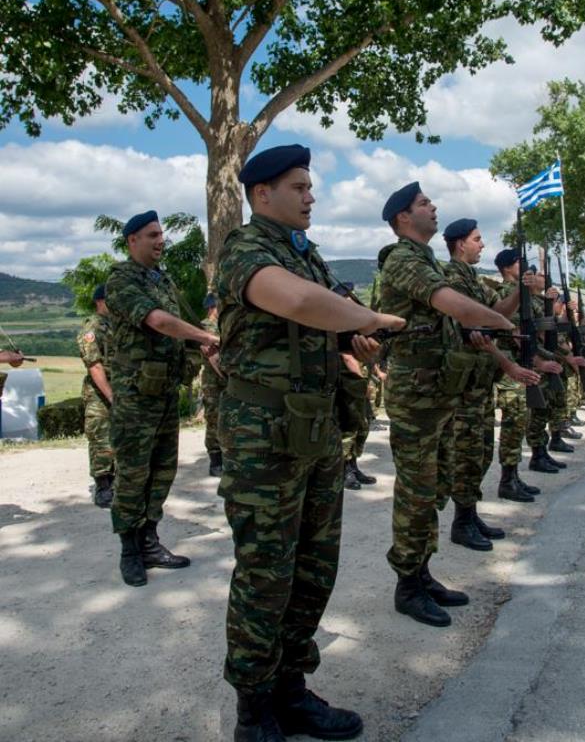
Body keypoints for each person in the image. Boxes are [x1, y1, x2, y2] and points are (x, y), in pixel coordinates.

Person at [216, 144, 404, 742]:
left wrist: (353, 344)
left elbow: (319, 323)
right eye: (298, 186)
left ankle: (292, 689)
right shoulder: (245, 247)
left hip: (316, 430)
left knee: (313, 570)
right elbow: (296, 301)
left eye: (309, 186)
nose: (310, 195)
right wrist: (365, 318)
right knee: (266, 571)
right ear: (261, 194)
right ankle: (254, 708)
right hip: (263, 436)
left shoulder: (309, 254)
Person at [378, 185, 522, 629]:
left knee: (434, 487)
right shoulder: (402, 258)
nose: (433, 207)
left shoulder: (424, 260)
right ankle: (407, 585)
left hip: (437, 392)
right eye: (423, 204)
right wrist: (499, 321)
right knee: (417, 492)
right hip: (414, 396)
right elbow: (451, 304)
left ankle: (422, 572)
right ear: (403, 218)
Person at [105, 210, 220, 588]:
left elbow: (178, 325)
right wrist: (206, 338)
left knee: (162, 471)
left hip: (165, 393)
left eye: (161, 235)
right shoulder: (121, 279)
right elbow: (157, 321)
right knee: (133, 473)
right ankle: (129, 550)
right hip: (136, 396)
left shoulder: (163, 279)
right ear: (132, 241)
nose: (160, 241)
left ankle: (150, 540)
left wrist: (199, 345)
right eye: (152, 235)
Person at [441, 219, 541, 549]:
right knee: (467, 454)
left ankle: (469, 514)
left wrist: (521, 290)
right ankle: (461, 520)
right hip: (465, 383)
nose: (482, 245)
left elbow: (497, 311)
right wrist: (510, 365)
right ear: (460, 245)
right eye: (477, 239)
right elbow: (477, 328)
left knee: (481, 452)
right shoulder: (452, 278)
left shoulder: (471, 278)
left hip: (480, 382)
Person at [492, 249, 564, 501]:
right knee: (514, 423)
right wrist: (539, 362)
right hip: (509, 365)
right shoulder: (504, 294)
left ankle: (514, 476)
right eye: (518, 263)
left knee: (522, 419)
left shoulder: (525, 295)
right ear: (505, 269)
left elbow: (534, 332)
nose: (524, 266)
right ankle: (507, 480)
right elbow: (514, 334)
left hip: (524, 362)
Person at [77, 284, 115, 508]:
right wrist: (110, 395)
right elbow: (95, 365)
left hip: (120, 387)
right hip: (99, 392)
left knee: (120, 437)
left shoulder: (117, 325)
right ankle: (103, 486)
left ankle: (118, 482)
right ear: (100, 301)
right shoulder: (92, 329)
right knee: (101, 438)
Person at [340, 351, 377, 491]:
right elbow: (347, 356)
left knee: (362, 426)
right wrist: (361, 381)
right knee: (349, 428)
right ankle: (345, 471)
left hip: (358, 383)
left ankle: (353, 467)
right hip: (350, 383)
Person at [199, 292, 225, 476]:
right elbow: (211, 354)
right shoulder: (206, 326)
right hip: (214, 383)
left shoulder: (222, 325)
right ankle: (215, 461)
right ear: (212, 307)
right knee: (214, 418)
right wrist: (226, 376)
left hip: (224, 380)